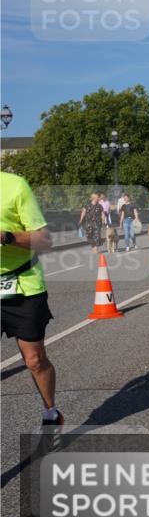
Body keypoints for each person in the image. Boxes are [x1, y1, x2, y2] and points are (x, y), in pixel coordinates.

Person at [1, 171, 63, 427]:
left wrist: (7, 237)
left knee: (34, 360)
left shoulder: (15, 185)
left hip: (23, 285)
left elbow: (45, 240)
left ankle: (50, 412)